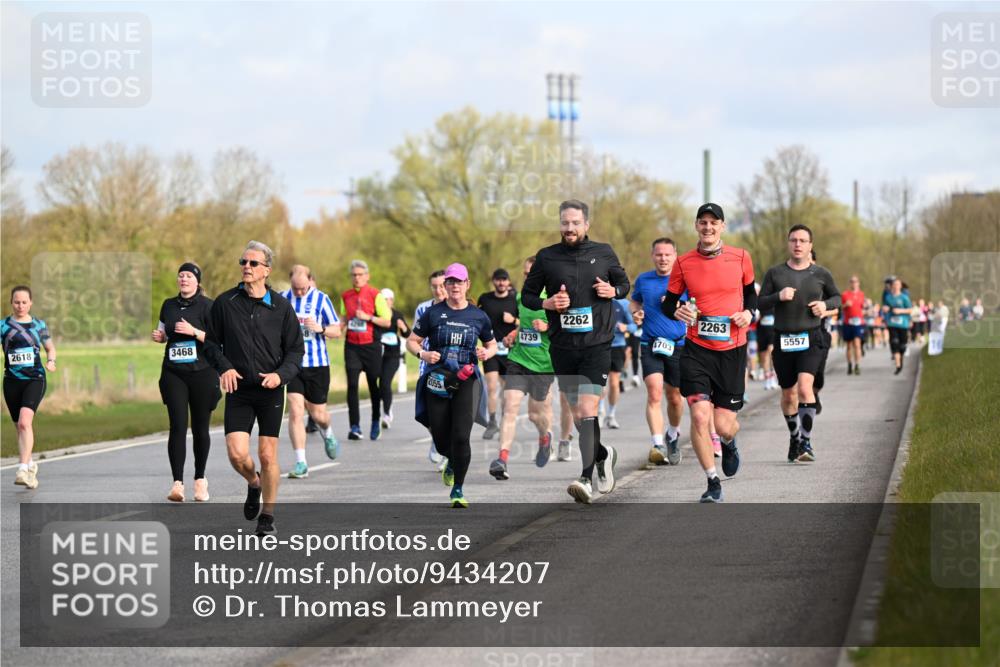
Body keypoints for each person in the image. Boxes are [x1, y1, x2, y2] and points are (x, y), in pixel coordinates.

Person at [522, 199, 630, 504]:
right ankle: (604, 454)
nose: (570, 228)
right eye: (565, 223)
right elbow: (528, 296)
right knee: (581, 417)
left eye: (575, 223)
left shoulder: (604, 252)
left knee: (586, 411)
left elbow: (624, 284)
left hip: (596, 345)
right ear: (560, 224)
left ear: (587, 224)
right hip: (563, 346)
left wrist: (613, 292)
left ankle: (585, 477)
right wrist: (546, 303)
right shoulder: (547, 257)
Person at [662, 203, 757, 503]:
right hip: (697, 350)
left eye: (713, 223)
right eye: (703, 222)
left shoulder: (741, 257)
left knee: (723, 425)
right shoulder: (683, 263)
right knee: (700, 416)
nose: (708, 227)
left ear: (722, 227)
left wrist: (748, 313)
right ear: (696, 226)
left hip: (732, 350)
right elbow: (669, 303)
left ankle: (729, 442)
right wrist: (680, 311)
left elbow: (752, 295)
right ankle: (712, 481)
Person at [206, 241, 303, 536]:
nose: (246, 267)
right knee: (237, 455)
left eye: (253, 263)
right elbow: (210, 343)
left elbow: (295, 352)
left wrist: (280, 376)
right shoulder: (226, 303)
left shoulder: (281, 307)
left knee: (267, 454)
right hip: (239, 389)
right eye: (243, 262)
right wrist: (225, 367)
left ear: (266, 271)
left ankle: (268, 516)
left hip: (270, 389)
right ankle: (254, 483)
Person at [407, 263, 497, 507]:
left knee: (461, 435)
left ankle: (458, 488)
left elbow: (492, 344)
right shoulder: (433, 314)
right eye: (451, 282)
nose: (455, 286)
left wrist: (486, 353)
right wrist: (423, 355)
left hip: (467, 379)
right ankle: (451, 459)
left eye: (459, 281)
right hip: (437, 378)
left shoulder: (478, 316)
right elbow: (412, 341)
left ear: (467, 285)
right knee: (440, 437)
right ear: (445, 286)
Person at [759, 229, 841, 463]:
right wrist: (778, 296)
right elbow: (758, 302)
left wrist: (824, 306)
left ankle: (805, 441)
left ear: (810, 245)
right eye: (794, 240)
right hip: (783, 339)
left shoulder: (821, 273)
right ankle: (794, 437)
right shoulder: (775, 273)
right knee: (788, 394)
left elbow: (837, 298)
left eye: (803, 241)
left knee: (806, 388)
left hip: (811, 338)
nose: (798, 244)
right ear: (788, 243)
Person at [151, 263, 220, 501]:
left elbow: (218, 341)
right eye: (181, 276)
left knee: (200, 428)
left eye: (189, 276)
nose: (184, 279)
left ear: (197, 281)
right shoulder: (168, 305)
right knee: (177, 426)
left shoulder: (209, 306)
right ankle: (177, 484)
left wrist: (194, 332)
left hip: (203, 372)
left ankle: (200, 480)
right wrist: (160, 337)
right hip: (174, 373)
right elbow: (164, 332)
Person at [490, 256, 556, 480]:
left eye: (532, 274)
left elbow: (569, 329)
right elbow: (523, 325)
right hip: (518, 360)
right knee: (509, 407)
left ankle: (545, 437)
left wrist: (548, 326)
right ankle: (502, 459)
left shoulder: (555, 298)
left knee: (535, 415)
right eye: (526, 274)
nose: (528, 278)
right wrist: (512, 334)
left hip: (544, 364)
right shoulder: (521, 297)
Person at [630, 237, 687, 465]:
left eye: (667, 254)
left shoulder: (684, 280)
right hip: (650, 343)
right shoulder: (644, 280)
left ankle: (672, 434)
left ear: (675, 256)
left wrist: (681, 306)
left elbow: (697, 307)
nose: (663, 258)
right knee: (654, 392)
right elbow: (634, 303)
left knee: (674, 398)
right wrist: (637, 314)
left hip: (678, 345)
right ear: (652, 256)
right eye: (659, 254)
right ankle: (657, 444)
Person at [281, 266, 341, 479]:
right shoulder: (282, 298)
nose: (299, 293)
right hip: (292, 365)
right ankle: (301, 462)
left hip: (317, 365)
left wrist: (321, 329)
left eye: (303, 288)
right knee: (296, 411)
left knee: (318, 415)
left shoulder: (321, 299)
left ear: (310, 281)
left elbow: (337, 330)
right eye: (295, 288)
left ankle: (329, 433)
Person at [3, 286, 56, 490]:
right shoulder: (3, 326)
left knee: (25, 423)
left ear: (31, 303)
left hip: (35, 379)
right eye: (17, 302)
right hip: (11, 381)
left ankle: (23, 468)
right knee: (20, 427)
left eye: (24, 302)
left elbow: (50, 347)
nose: (20, 306)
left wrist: (51, 361)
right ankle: (32, 464)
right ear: (11, 302)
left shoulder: (38, 325)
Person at [341, 260, 392, 441]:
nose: (357, 278)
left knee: (372, 384)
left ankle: (375, 420)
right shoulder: (345, 296)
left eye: (360, 274)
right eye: (354, 275)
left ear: (367, 276)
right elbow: (343, 319)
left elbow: (387, 321)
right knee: (352, 385)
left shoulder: (375, 294)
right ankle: (354, 426)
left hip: (371, 345)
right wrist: (335, 329)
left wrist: (368, 317)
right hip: (352, 346)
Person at [477, 268, 519, 439]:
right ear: (493, 281)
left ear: (509, 282)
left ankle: (504, 421)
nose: (501, 282)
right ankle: (492, 421)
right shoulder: (485, 299)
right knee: (492, 385)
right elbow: (477, 318)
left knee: (506, 390)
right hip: (491, 348)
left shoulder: (516, 299)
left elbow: (526, 323)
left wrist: (513, 320)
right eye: (498, 279)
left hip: (510, 350)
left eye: (504, 279)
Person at [415, 269, 447, 467]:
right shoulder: (423, 309)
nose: (438, 290)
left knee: (446, 410)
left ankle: (446, 452)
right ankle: (437, 439)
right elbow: (415, 339)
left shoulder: (457, 307)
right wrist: (423, 354)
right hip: (427, 365)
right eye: (434, 286)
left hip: (450, 366)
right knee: (427, 412)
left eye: (442, 285)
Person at [376, 288, 411, 430]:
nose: (385, 302)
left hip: (393, 355)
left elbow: (408, 335)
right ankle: (382, 409)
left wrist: (402, 327)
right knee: (378, 385)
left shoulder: (397, 315)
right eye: (382, 300)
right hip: (377, 354)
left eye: (387, 300)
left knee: (385, 382)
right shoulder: (376, 315)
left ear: (392, 301)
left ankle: (386, 413)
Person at [603, 297, 636, 429]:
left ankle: (611, 415)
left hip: (617, 346)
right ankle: (599, 412)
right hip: (599, 346)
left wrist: (626, 327)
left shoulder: (624, 304)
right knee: (599, 383)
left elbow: (634, 326)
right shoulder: (595, 299)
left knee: (614, 383)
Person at [883, 278, 912, 374]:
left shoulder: (904, 298)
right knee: (894, 343)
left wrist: (900, 311)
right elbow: (884, 307)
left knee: (902, 346)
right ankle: (898, 365)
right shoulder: (888, 298)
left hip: (903, 324)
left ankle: (901, 360)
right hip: (892, 324)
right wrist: (885, 309)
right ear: (892, 286)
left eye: (897, 284)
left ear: (900, 286)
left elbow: (910, 310)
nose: (895, 286)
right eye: (894, 284)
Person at [841, 276, 866, 375]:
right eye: (852, 281)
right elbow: (839, 308)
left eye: (855, 281)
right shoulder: (845, 294)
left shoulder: (861, 294)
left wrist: (865, 308)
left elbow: (863, 307)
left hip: (859, 323)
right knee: (849, 346)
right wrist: (845, 305)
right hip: (848, 322)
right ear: (850, 283)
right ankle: (849, 364)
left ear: (858, 283)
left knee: (857, 344)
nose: (854, 283)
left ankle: (857, 365)